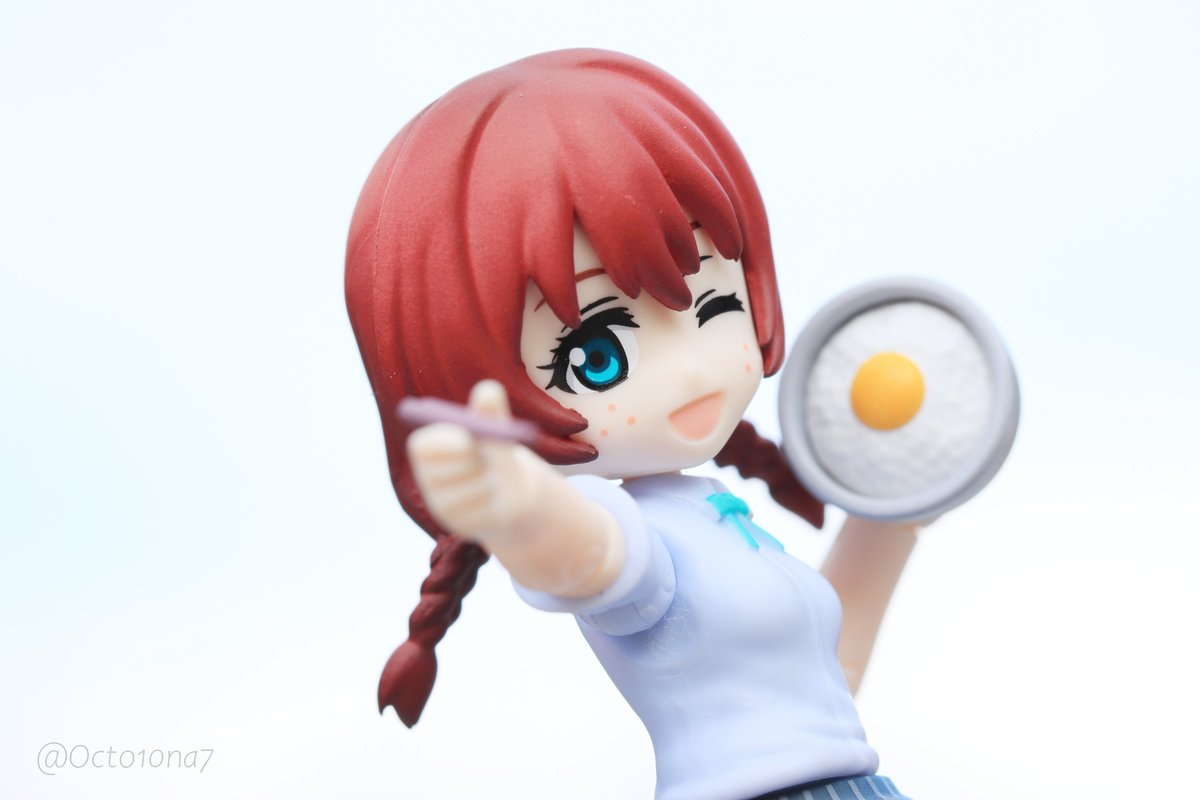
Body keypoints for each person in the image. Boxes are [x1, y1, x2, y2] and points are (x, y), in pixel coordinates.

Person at [345, 48, 919, 800]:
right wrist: (520, 511)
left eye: (715, 305)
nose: (690, 371)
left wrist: (893, 517)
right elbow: (589, 557)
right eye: (597, 354)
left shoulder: (715, 517)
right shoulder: (630, 530)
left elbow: (830, 679)